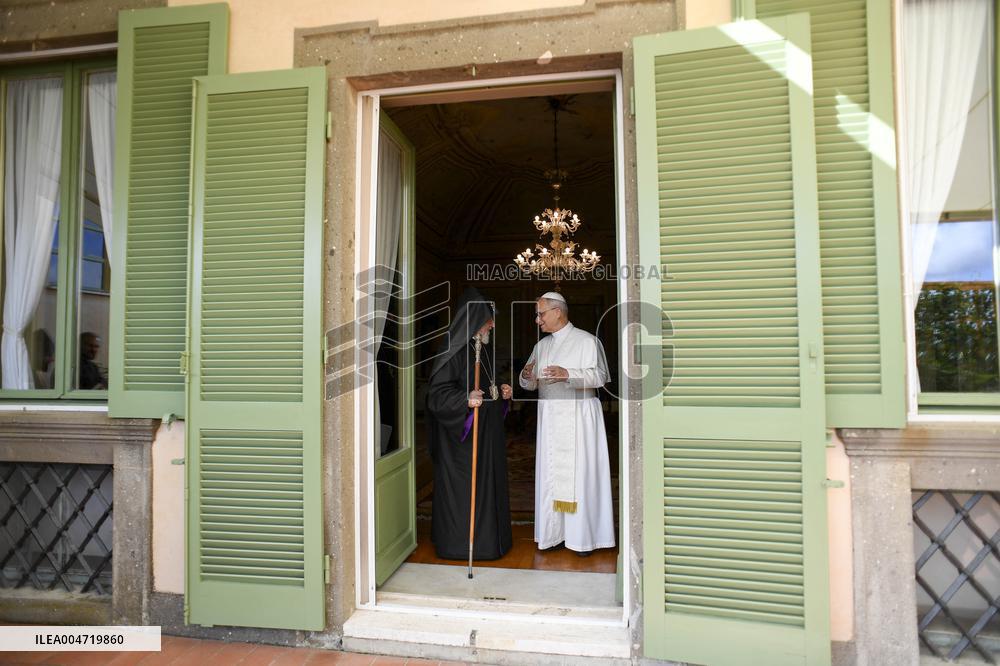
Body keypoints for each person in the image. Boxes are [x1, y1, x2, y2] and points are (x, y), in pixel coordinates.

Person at [519, 291, 614, 557]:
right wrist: (526, 375)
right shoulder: (542, 346)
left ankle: (581, 537)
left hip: (579, 415)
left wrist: (568, 373)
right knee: (551, 475)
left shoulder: (587, 341)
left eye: (541, 314)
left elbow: (600, 376)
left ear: (557, 312)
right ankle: (554, 534)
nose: (538, 320)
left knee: (581, 475)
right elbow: (529, 381)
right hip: (550, 416)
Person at [425, 287, 513, 561]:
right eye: (489, 318)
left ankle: (491, 542)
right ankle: (460, 545)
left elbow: (486, 387)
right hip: (460, 444)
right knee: (466, 493)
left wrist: (501, 391)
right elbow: (437, 396)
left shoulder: (482, 349)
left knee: (488, 486)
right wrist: (465, 399)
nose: (493, 324)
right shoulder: (453, 349)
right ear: (475, 319)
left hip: (486, 435)